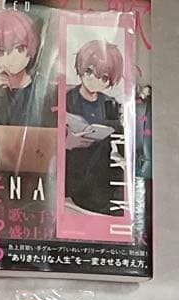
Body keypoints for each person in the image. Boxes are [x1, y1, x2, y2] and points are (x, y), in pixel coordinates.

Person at [0, 7, 56, 166]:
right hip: (3, 170)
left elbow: (55, 144)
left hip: (41, 170)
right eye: (1, 51)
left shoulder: (45, 91)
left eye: (19, 48)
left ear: (31, 47)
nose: (11, 58)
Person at [64, 40, 126, 216]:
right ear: (81, 68)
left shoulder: (110, 103)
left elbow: (119, 140)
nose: (94, 80)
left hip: (101, 168)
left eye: (103, 77)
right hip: (74, 169)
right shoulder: (66, 99)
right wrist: (68, 142)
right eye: (89, 71)